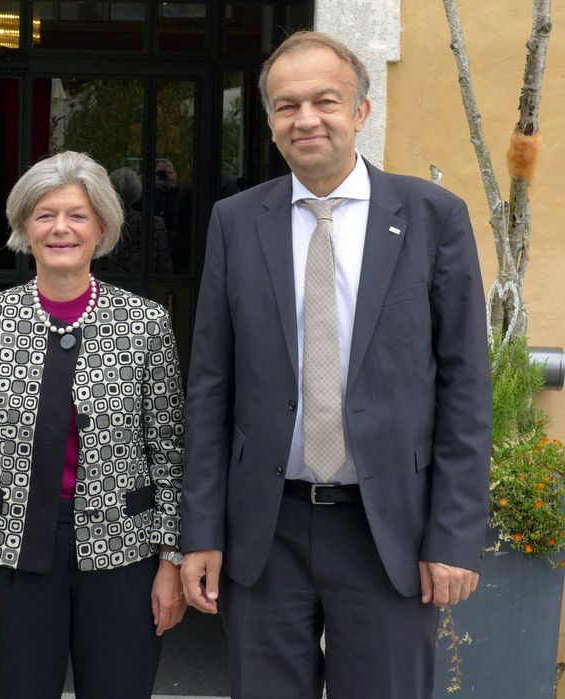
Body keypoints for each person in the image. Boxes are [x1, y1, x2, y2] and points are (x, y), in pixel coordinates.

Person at [180, 31, 491, 699]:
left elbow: (467, 388)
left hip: (390, 532)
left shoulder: (433, 218)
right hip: (266, 530)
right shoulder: (236, 223)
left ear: (361, 112)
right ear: (269, 123)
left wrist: (456, 534)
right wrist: (199, 532)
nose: (307, 119)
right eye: (287, 106)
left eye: (326, 100)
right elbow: (210, 387)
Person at [0, 150, 186, 699]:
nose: (61, 228)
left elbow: (169, 452)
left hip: (125, 553)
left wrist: (172, 562)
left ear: (101, 227)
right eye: (45, 214)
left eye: (77, 214)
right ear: (25, 227)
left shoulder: (146, 323)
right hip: (11, 553)